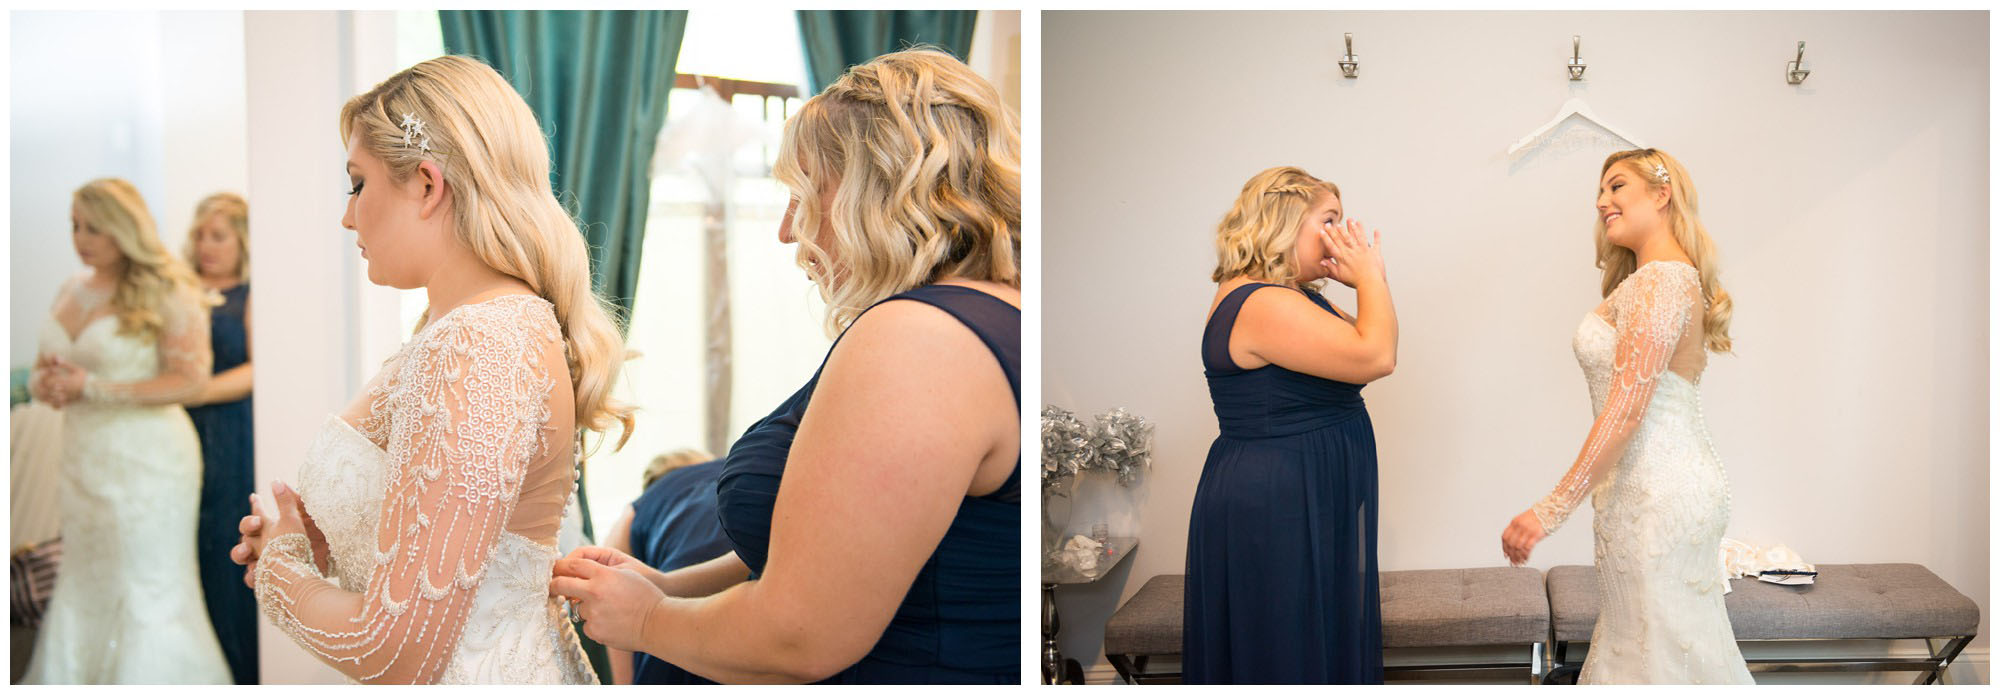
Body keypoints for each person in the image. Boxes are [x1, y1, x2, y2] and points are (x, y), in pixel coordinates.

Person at [551, 47, 1021, 684]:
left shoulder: (919, 341)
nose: (785, 229)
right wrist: (669, 586)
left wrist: (646, 622)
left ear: (872, 193)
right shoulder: (977, 318)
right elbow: (835, 550)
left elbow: (800, 634)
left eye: (802, 195)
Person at [228, 55, 632, 684]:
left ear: (426, 184)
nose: (347, 215)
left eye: (357, 184)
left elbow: (397, 650)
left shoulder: (480, 344)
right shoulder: (462, 330)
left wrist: (281, 574)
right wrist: (317, 541)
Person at [1499, 148, 1752, 684]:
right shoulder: (1647, 281)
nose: (1602, 201)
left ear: (1662, 195)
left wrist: (1549, 510)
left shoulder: (1663, 279)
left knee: (1660, 657)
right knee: (1644, 649)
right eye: (1600, 191)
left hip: (1660, 495)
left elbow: (1627, 409)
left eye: (1616, 187)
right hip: (1637, 490)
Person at [1183, 166, 1396, 684]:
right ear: (1284, 221)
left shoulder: (1289, 297)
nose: (1338, 236)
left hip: (1296, 491)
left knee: (1301, 641)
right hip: (1279, 499)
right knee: (1284, 648)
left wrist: (1366, 281)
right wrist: (1370, 277)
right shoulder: (1262, 302)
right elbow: (1378, 355)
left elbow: (1367, 338)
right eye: (1328, 221)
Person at [23, 178, 233, 684]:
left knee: (146, 586)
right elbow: (41, 370)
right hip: (82, 458)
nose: (82, 238)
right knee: (84, 580)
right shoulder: (70, 289)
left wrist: (90, 387)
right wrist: (45, 384)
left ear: (124, 227)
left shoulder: (168, 289)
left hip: (150, 461)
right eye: (75, 226)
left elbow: (190, 380)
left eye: (94, 227)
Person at [178, 191, 257, 684]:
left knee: (221, 538)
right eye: (200, 235)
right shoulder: (179, 289)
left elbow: (256, 368)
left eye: (219, 236)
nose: (207, 245)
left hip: (229, 431)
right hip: (179, 432)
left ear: (241, 241)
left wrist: (192, 391)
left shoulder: (250, 293)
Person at [600, 447, 730, 685]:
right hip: (749, 571)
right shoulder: (733, 469)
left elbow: (608, 585)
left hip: (678, 598)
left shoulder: (638, 506)